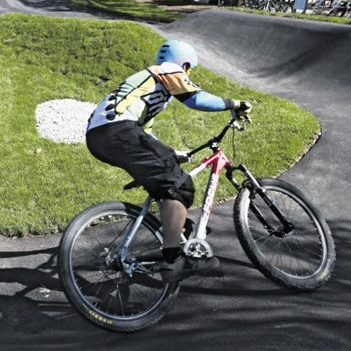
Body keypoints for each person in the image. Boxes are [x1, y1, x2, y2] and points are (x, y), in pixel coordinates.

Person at [85, 40, 252, 283]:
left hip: (101, 138)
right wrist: (234, 104)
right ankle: (173, 261)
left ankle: (175, 232)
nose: (188, 74)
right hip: (119, 131)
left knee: (166, 183)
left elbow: (145, 134)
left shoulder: (149, 90)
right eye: (189, 69)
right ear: (184, 65)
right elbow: (195, 98)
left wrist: (172, 152)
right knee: (180, 186)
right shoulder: (167, 69)